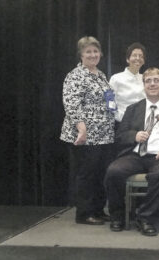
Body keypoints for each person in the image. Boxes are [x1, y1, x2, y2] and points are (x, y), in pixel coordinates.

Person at [104, 67, 159, 236]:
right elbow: (120, 136)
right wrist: (134, 135)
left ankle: (144, 217)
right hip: (135, 155)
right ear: (143, 85)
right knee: (114, 171)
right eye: (148, 81)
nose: (152, 84)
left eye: (156, 81)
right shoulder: (133, 109)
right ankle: (118, 216)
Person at [60, 36, 115, 225]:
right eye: (88, 52)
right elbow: (72, 104)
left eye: (95, 51)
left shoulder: (100, 75)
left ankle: (98, 210)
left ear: (100, 53)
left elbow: (109, 102)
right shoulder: (75, 75)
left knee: (100, 174)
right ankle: (84, 213)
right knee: (86, 175)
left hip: (104, 135)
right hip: (85, 136)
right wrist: (81, 128)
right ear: (81, 54)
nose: (93, 55)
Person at [109, 42, 146, 128]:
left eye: (140, 56)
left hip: (142, 125)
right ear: (128, 59)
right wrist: (119, 117)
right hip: (121, 124)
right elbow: (109, 102)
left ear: (143, 61)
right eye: (134, 55)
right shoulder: (116, 78)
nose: (138, 58)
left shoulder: (146, 78)